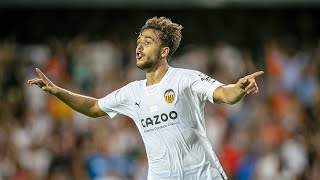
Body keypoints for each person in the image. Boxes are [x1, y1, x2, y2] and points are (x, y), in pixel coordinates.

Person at [28, 16, 263, 180]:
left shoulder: (185, 78)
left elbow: (224, 94)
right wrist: (59, 91)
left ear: (164, 52)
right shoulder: (132, 92)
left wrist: (239, 88)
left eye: (147, 42)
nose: (139, 47)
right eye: (138, 42)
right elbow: (93, 106)